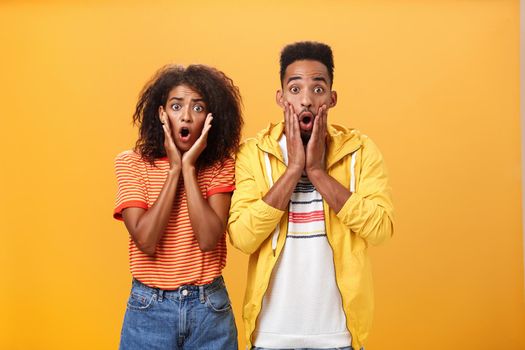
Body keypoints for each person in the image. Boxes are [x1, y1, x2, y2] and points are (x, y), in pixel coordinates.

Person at [228, 41, 394, 350]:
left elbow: (381, 228)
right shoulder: (253, 153)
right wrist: (293, 171)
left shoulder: (360, 151)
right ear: (280, 98)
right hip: (270, 335)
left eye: (317, 90)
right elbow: (242, 237)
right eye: (294, 89)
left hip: (338, 336)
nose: (306, 100)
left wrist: (318, 172)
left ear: (331, 98)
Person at [113, 64, 243, 350]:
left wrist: (189, 168)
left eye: (198, 108)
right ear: (161, 113)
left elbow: (209, 239)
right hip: (149, 310)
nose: (186, 116)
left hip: (209, 310)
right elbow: (146, 240)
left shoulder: (222, 166)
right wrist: (174, 171)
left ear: (210, 118)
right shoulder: (131, 163)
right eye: (176, 106)